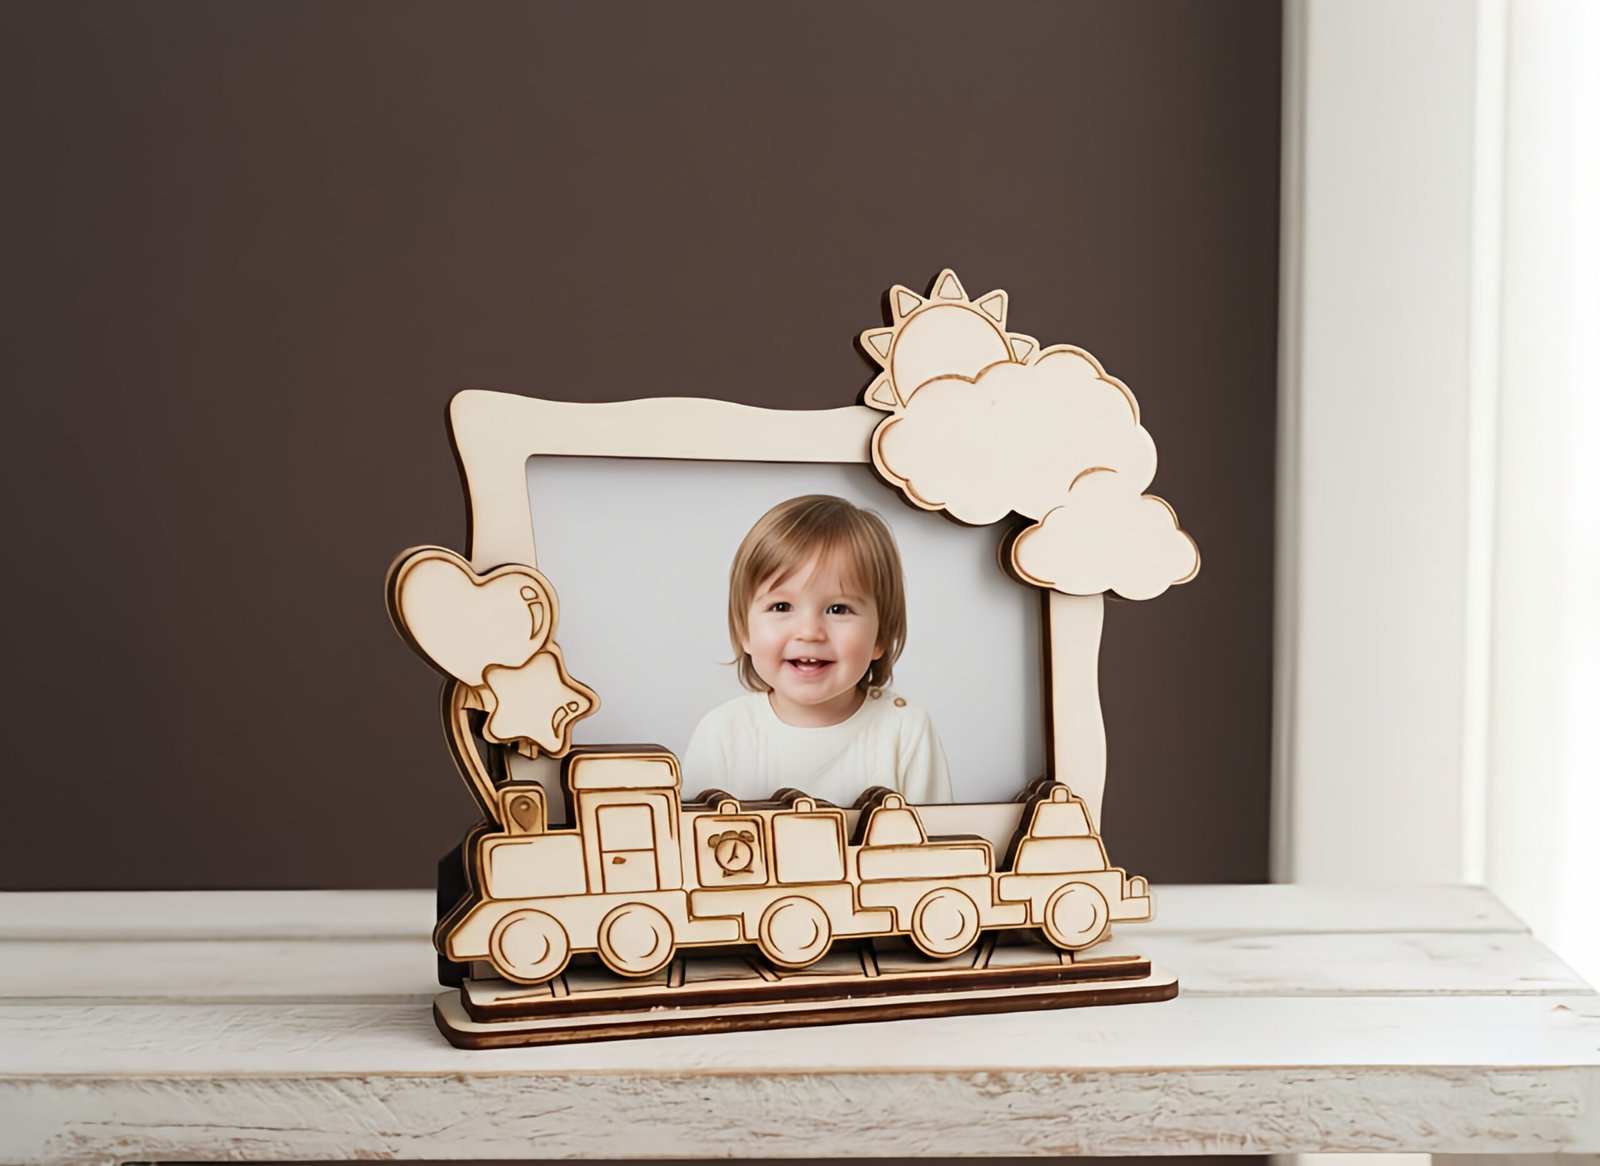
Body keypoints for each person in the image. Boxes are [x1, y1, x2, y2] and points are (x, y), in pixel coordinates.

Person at [684, 494, 953, 806]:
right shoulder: (723, 733)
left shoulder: (905, 730)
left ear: (881, 635)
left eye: (839, 609)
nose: (810, 631)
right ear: (745, 631)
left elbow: (933, 847)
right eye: (781, 606)